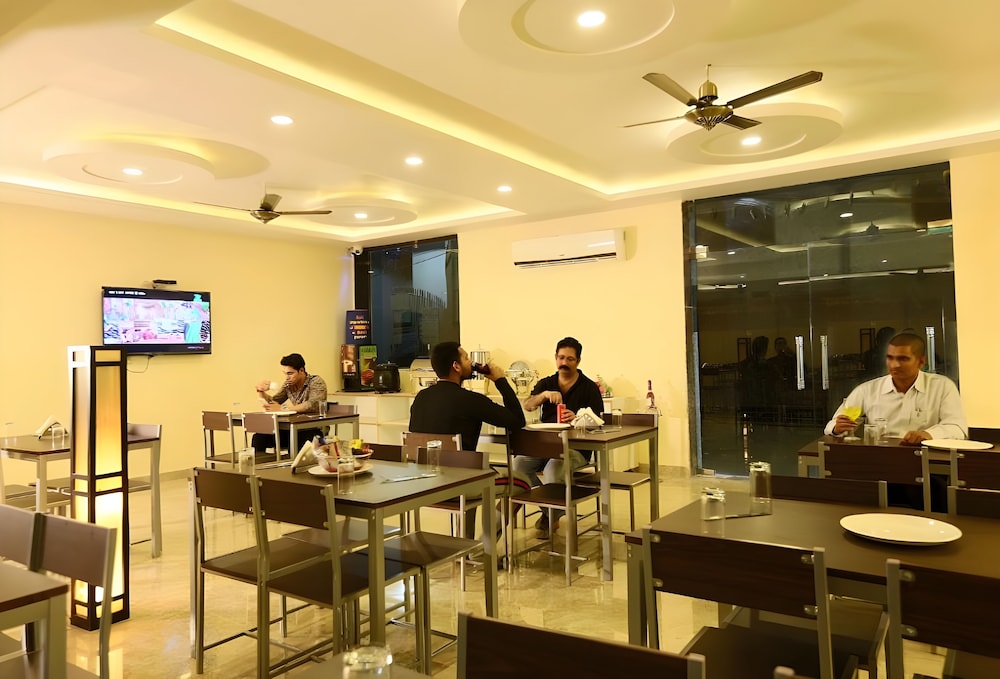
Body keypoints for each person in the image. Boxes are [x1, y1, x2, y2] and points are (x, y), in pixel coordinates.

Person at [824, 332, 967, 510]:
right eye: (890, 358)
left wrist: (927, 434)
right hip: (879, 466)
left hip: (925, 467)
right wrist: (837, 427)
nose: (894, 365)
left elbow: (958, 428)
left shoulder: (941, 387)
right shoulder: (868, 390)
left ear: (921, 362)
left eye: (903, 359)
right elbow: (832, 424)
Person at [408, 341, 527, 538]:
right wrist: (500, 380)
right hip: (459, 484)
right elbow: (517, 420)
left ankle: (467, 545)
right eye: (465, 357)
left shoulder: (421, 398)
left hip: (424, 484)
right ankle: (485, 544)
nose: (470, 361)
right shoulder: (470, 400)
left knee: (472, 473)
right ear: (456, 366)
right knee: (522, 482)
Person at [516, 337, 604, 537]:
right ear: (556, 358)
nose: (564, 362)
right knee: (518, 465)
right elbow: (528, 405)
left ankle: (550, 515)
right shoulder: (547, 383)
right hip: (545, 445)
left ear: (578, 361)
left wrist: (578, 419)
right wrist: (544, 395)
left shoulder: (589, 387)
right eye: (561, 357)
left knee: (553, 468)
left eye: (570, 359)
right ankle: (551, 512)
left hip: (576, 449)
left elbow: (599, 421)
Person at [251, 353, 328, 454]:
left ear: (301, 370)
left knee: (297, 438)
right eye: (285, 373)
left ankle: (293, 463)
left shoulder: (316, 381)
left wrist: (283, 409)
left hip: (313, 428)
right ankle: (259, 463)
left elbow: (312, 404)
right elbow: (274, 402)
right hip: (294, 427)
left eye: (290, 373)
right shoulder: (288, 385)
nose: (287, 377)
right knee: (259, 436)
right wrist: (261, 392)